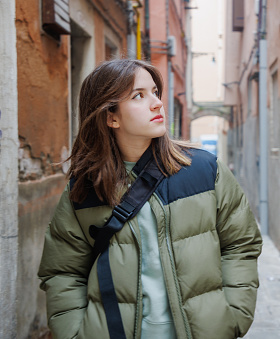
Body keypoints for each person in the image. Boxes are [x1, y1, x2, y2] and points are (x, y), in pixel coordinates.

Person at [38, 59, 263, 339]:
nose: (157, 103)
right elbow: (63, 271)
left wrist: (233, 317)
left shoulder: (206, 171)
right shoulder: (84, 190)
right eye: (139, 96)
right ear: (111, 117)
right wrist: (74, 333)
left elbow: (241, 244)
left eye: (155, 92)